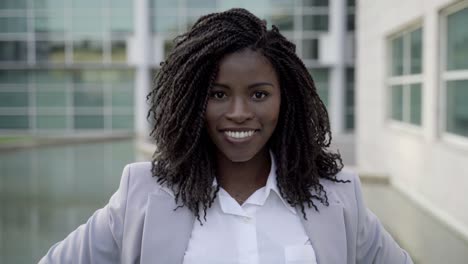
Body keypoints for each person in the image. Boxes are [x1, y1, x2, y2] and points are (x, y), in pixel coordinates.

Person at [40, 8, 413, 264]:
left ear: (287, 101)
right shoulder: (141, 192)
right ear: (190, 103)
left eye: (259, 94)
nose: (239, 111)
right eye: (218, 94)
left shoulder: (338, 196)